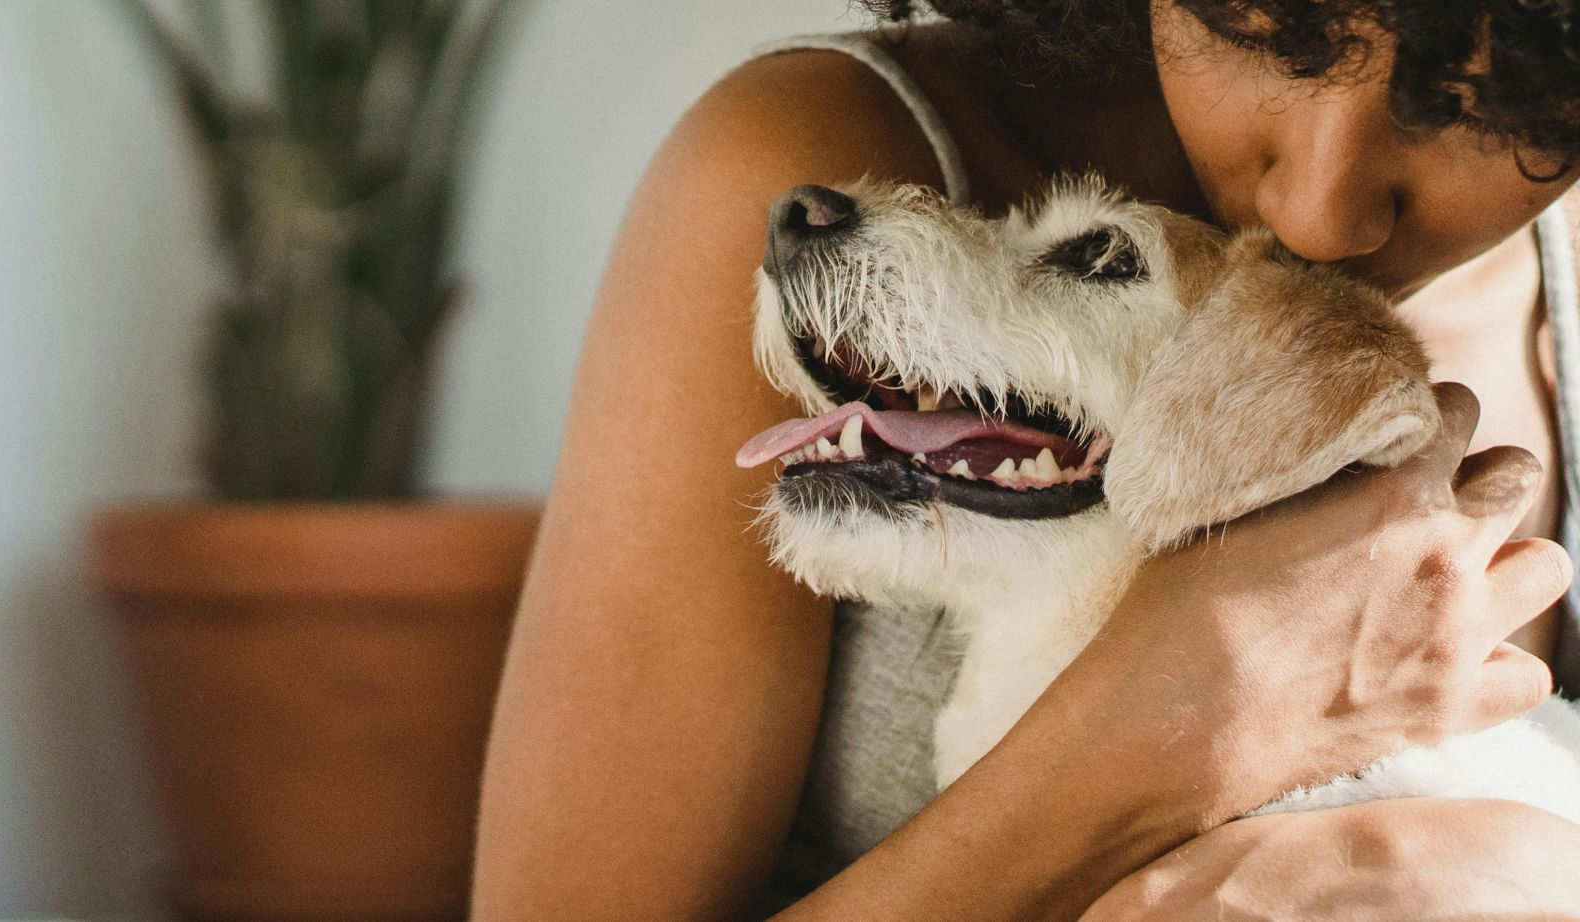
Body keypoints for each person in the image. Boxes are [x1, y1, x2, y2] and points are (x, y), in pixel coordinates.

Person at [472, 1, 1580, 918]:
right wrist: (1173, 726)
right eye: (1267, 32)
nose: (1322, 214)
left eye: (1478, 113)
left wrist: (1539, 870)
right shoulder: (811, 154)